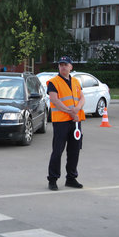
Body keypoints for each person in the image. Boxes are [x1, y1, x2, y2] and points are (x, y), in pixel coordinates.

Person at [46, 56, 86, 191]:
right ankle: (53, 179)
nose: (63, 67)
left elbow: (82, 97)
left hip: (75, 122)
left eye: (66, 64)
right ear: (58, 67)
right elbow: (55, 100)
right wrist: (71, 112)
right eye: (61, 64)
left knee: (74, 150)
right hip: (61, 122)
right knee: (57, 151)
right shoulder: (53, 82)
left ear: (71, 67)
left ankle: (71, 178)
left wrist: (78, 108)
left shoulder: (76, 81)